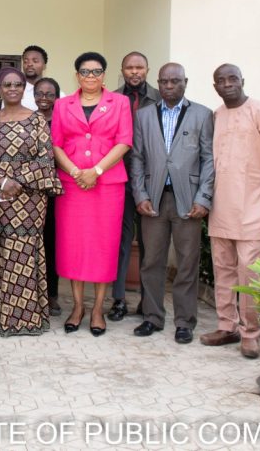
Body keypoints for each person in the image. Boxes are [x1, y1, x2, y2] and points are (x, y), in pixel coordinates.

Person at [201, 63, 260, 359]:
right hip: (221, 208)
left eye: (232, 78)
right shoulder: (216, 116)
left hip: (253, 207)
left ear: (242, 80)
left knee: (250, 275)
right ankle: (227, 327)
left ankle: (251, 334)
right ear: (215, 86)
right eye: (221, 80)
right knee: (223, 271)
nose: (227, 84)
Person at [0, 68, 61, 336]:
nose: (12, 89)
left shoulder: (37, 120)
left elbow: (45, 158)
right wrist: (3, 180)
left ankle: (22, 318)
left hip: (29, 200)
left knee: (22, 251)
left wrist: (16, 181)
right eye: (7, 84)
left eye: (17, 84)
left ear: (23, 88)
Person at [129, 63, 214, 344]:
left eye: (175, 81)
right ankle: (152, 317)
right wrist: (140, 195)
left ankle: (184, 322)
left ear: (185, 82)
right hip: (153, 199)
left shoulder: (202, 114)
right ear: (158, 82)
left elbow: (209, 159)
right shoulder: (143, 116)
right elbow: (137, 158)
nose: (168, 86)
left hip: (188, 200)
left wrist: (203, 198)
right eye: (164, 81)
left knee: (187, 262)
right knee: (151, 261)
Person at [51, 52, 132, 337]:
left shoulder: (120, 102)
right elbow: (56, 144)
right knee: (74, 246)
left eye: (96, 71)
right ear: (77, 75)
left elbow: (124, 141)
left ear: (104, 75)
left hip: (107, 184)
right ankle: (78, 307)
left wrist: (95, 171)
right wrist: (76, 172)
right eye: (85, 71)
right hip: (72, 185)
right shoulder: (62, 105)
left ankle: (97, 309)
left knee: (103, 246)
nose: (90, 76)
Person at [109, 51, 161, 322]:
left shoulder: (160, 98)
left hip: (153, 181)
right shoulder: (112, 99)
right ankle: (119, 299)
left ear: (147, 69)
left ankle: (148, 301)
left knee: (151, 243)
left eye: (139, 67)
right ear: (122, 70)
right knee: (122, 240)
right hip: (121, 179)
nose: (134, 72)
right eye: (129, 67)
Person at [33, 77, 63, 316]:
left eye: (49, 94)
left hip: (55, 192)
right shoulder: (27, 120)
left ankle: (52, 294)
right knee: (31, 243)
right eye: (40, 93)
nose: (44, 98)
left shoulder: (62, 122)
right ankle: (32, 293)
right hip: (30, 192)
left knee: (51, 243)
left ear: (57, 97)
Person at [20, 45, 48, 111]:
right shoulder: (15, 92)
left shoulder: (56, 93)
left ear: (44, 66)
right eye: (25, 61)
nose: (29, 64)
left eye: (35, 61)